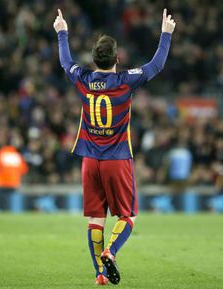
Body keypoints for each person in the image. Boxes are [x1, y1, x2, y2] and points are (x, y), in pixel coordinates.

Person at [53, 8, 176, 285]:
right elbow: (155, 66)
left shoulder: (82, 78)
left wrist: (62, 32)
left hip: (89, 161)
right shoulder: (125, 81)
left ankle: (99, 274)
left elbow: (65, 62)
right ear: (117, 60)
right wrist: (166, 35)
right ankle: (112, 251)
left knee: (95, 219)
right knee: (128, 215)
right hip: (117, 159)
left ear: (94, 59)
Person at [0, 145, 28, 210]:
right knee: (12, 201)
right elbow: (24, 170)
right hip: (14, 182)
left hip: (2, 182)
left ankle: (1, 211)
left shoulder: (0, 155)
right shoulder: (17, 156)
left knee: (1, 200)